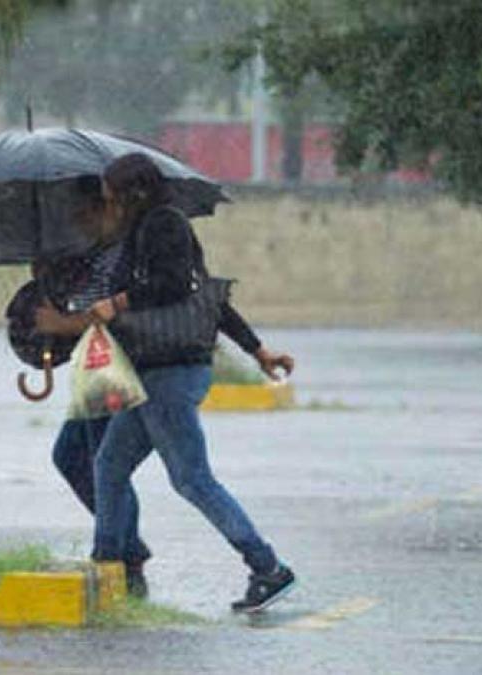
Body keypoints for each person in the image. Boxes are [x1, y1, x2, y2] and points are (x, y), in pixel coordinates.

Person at [42, 153, 297, 612]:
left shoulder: (165, 225)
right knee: (109, 466)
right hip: (153, 373)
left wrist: (117, 303)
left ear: (133, 193)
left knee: (192, 479)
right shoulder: (142, 234)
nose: (109, 205)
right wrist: (259, 351)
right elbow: (211, 299)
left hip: (173, 373)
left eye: (112, 196)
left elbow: (178, 286)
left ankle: (267, 566)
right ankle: (108, 566)